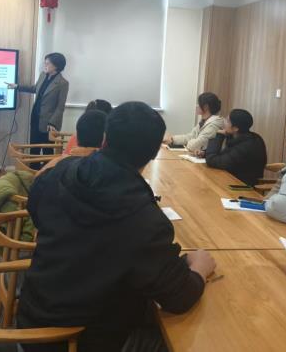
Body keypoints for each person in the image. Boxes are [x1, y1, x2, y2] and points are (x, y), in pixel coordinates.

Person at [18, 102, 216, 352]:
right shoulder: (145, 220)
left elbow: (36, 212)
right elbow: (178, 297)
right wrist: (199, 269)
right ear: (154, 152)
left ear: (105, 138)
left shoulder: (60, 172)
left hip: (30, 317)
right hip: (81, 340)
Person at [9, 53, 69, 157]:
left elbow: (60, 107)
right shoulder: (43, 75)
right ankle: (33, 167)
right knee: (34, 148)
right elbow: (34, 88)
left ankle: (46, 168)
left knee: (47, 151)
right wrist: (17, 86)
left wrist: (52, 123)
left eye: (47, 63)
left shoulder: (63, 83)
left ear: (56, 66)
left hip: (49, 123)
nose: (45, 65)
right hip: (36, 118)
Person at [200, 108, 267, 186]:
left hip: (242, 187)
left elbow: (212, 161)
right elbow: (225, 157)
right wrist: (205, 153)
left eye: (227, 121)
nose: (224, 122)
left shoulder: (247, 145)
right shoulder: (243, 137)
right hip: (230, 179)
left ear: (235, 128)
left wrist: (219, 135)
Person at [40, 110, 107, 173]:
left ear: (77, 137)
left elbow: (38, 178)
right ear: (104, 139)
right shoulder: (104, 170)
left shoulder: (56, 164)